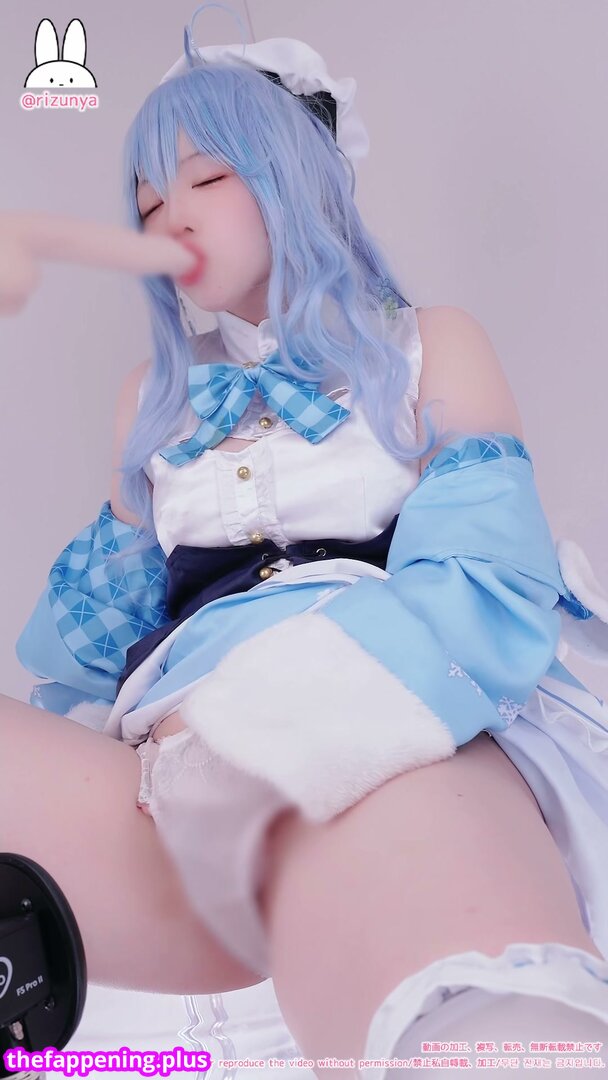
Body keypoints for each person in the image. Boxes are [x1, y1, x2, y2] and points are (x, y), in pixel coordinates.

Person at [6, 5, 608, 1077]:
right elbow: (94, 637)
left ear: (294, 178)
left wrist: (305, 724)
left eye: (205, 177)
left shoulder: (425, 347)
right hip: (173, 761)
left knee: (473, 1017)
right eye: (148, 198)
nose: (168, 213)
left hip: (375, 723)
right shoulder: (153, 400)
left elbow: (484, 580)